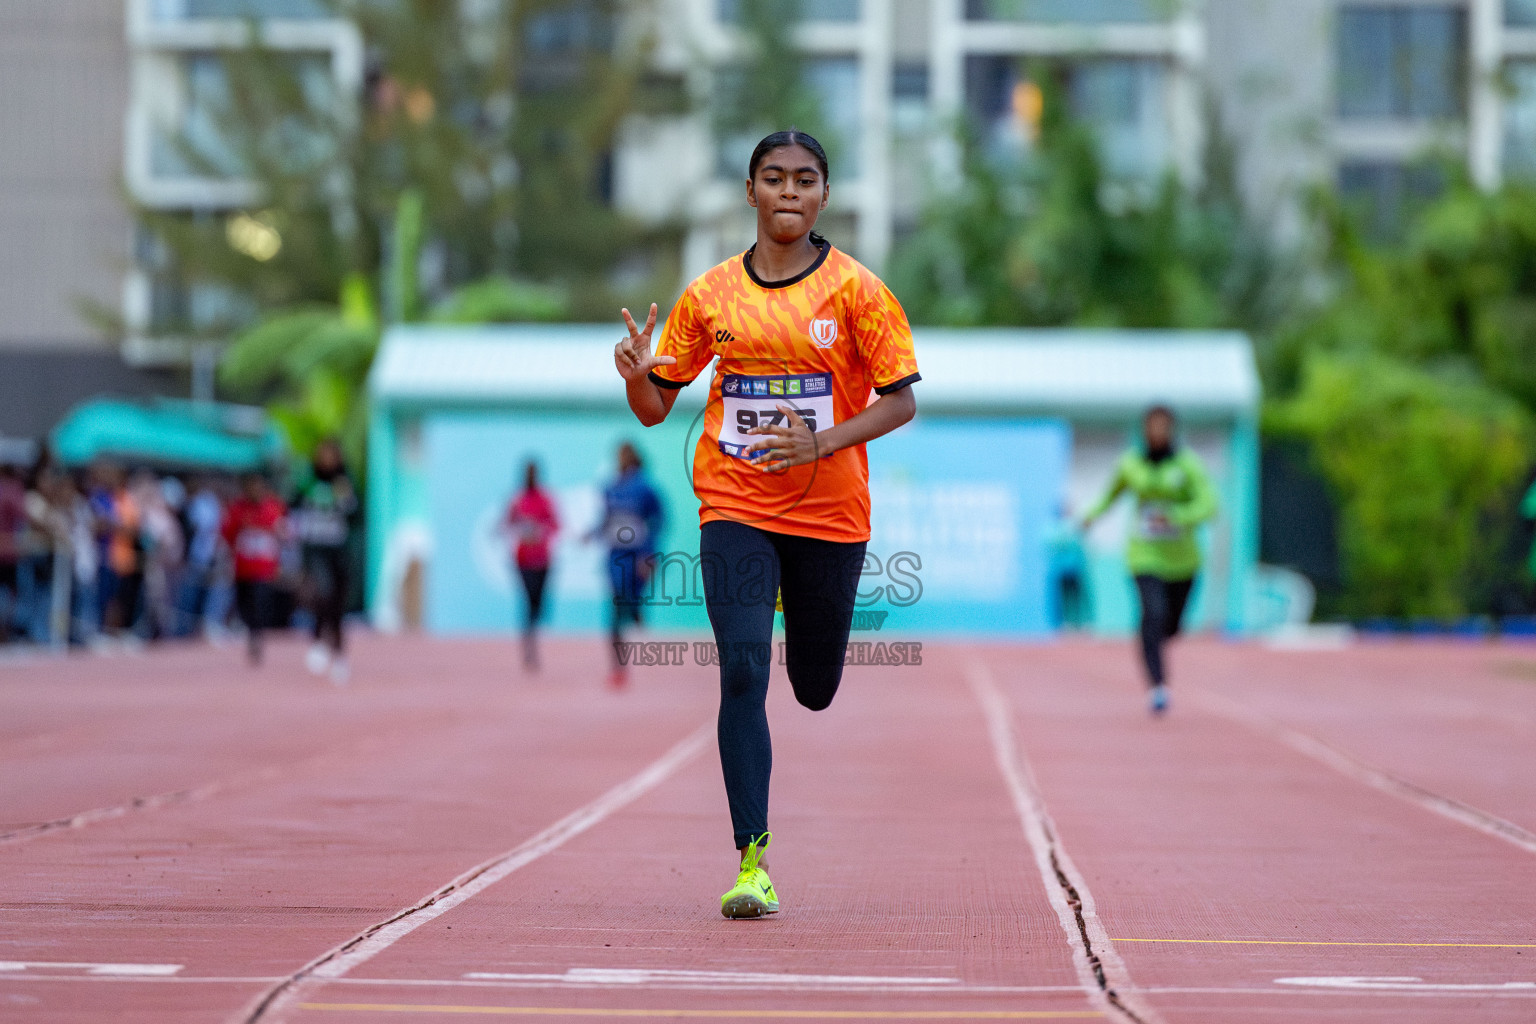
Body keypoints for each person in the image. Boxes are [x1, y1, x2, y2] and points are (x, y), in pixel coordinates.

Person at [613, 129, 920, 919]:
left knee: (813, 690)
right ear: (750, 192)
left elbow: (900, 400)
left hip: (829, 515)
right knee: (744, 672)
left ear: (824, 195)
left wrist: (819, 441)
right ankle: (753, 861)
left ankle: (795, 601)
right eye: (774, 178)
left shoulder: (857, 292)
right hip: (736, 508)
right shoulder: (711, 295)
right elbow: (654, 413)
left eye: (805, 180)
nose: (789, 191)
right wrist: (638, 374)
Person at [1081, 405, 1216, 715]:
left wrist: (1178, 516)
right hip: (1144, 554)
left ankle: (1152, 640)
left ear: (1171, 430)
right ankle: (1158, 686)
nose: (1156, 433)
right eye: (1150, 427)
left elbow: (1209, 504)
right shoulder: (1130, 464)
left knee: (1172, 626)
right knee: (1152, 615)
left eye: (1162, 427)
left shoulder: (1188, 465)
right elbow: (1110, 495)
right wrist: (1090, 517)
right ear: (1143, 430)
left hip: (1183, 560)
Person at [596, 442, 664, 688]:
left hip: (638, 555)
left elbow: (659, 520)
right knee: (615, 606)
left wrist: (649, 553)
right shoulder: (610, 488)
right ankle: (617, 667)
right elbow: (605, 520)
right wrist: (591, 534)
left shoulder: (645, 487)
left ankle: (635, 608)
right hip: (616, 555)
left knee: (630, 599)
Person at [292, 440, 358, 684]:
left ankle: (339, 655)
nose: (328, 459)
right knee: (323, 591)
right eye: (324, 454)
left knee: (338, 604)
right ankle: (318, 638)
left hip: (338, 551)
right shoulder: (306, 482)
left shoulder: (345, 482)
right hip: (316, 549)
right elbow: (291, 510)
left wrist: (346, 499)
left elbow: (355, 516)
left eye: (333, 455)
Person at [222, 472, 287, 665]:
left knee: (260, 602)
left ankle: (256, 635)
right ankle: (250, 629)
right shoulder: (237, 509)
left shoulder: (273, 508)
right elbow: (227, 533)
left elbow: (282, 534)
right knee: (244, 604)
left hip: (264, 567)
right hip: (243, 567)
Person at [505, 460, 559, 671]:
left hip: (543, 558)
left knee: (539, 604)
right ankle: (530, 647)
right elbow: (508, 522)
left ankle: (533, 630)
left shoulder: (545, 500)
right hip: (523, 559)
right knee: (528, 602)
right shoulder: (517, 500)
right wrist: (521, 529)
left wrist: (541, 530)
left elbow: (555, 523)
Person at [0, 465, 25, 642]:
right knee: (10, 593)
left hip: (7, 550)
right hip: (8, 552)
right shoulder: (12, 490)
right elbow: (23, 514)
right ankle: (4, 632)